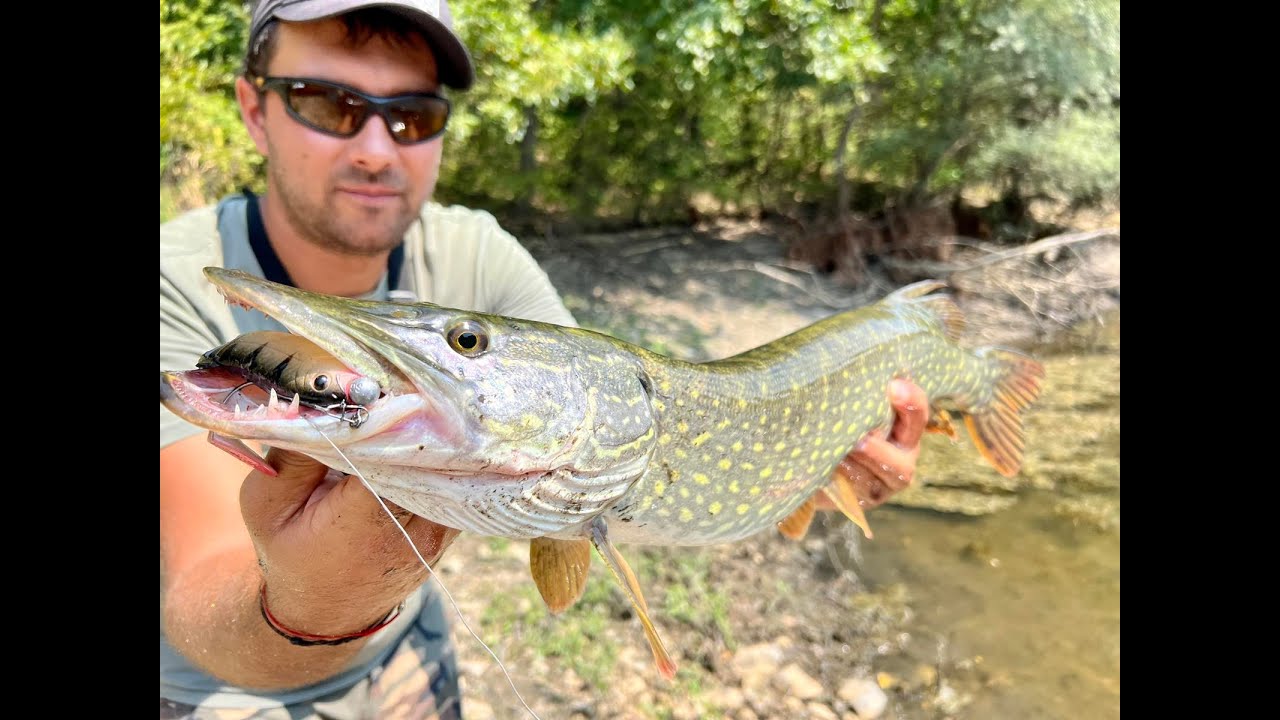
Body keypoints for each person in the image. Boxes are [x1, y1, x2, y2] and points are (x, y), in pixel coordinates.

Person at [158, 1, 931, 718]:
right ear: (254, 110)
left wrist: (816, 470)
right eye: (328, 104)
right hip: (217, 682)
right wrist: (311, 605)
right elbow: (200, 593)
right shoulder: (171, 280)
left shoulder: (477, 251)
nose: (375, 149)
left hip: (404, 641)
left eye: (414, 115)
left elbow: (589, 415)